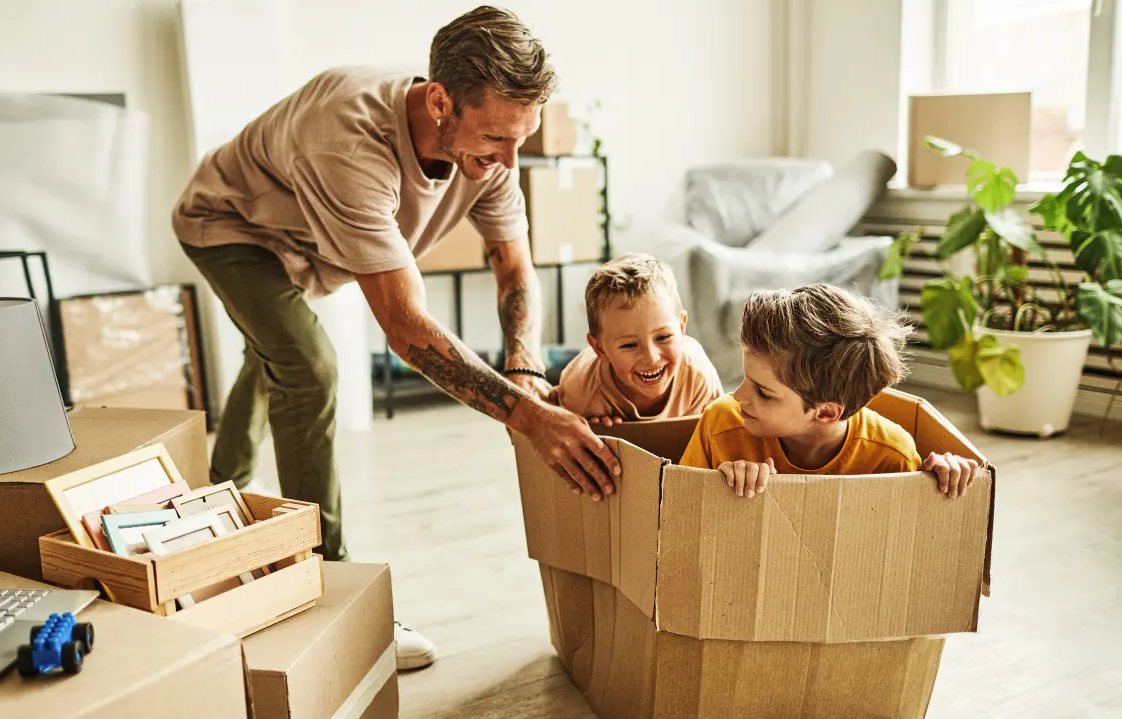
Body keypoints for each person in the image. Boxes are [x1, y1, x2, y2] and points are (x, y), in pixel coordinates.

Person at [171, 6, 620, 670]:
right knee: (307, 366)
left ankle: (216, 491)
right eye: (496, 138)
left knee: (275, 353)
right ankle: (329, 587)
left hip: (309, 245)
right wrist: (530, 418)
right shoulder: (350, 140)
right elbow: (407, 330)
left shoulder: (489, 151)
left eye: (519, 139)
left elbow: (513, 267)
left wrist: (524, 368)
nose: (506, 161)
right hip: (232, 224)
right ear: (440, 100)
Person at [679, 284, 981, 498]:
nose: (738, 396)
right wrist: (717, 487)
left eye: (764, 392)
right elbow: (678, 509)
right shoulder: (721, 424)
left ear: (825, 412)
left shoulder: (891, 455)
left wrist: (941, 479)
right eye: (746, 379)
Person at [556, 254, 722, 424]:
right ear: (600, 349)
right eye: (629, 345)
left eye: (663, 337)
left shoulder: (698, 377)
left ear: (681, 328)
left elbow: (718, 438)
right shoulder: (580, 393)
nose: (651, 357)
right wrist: (594, 432)